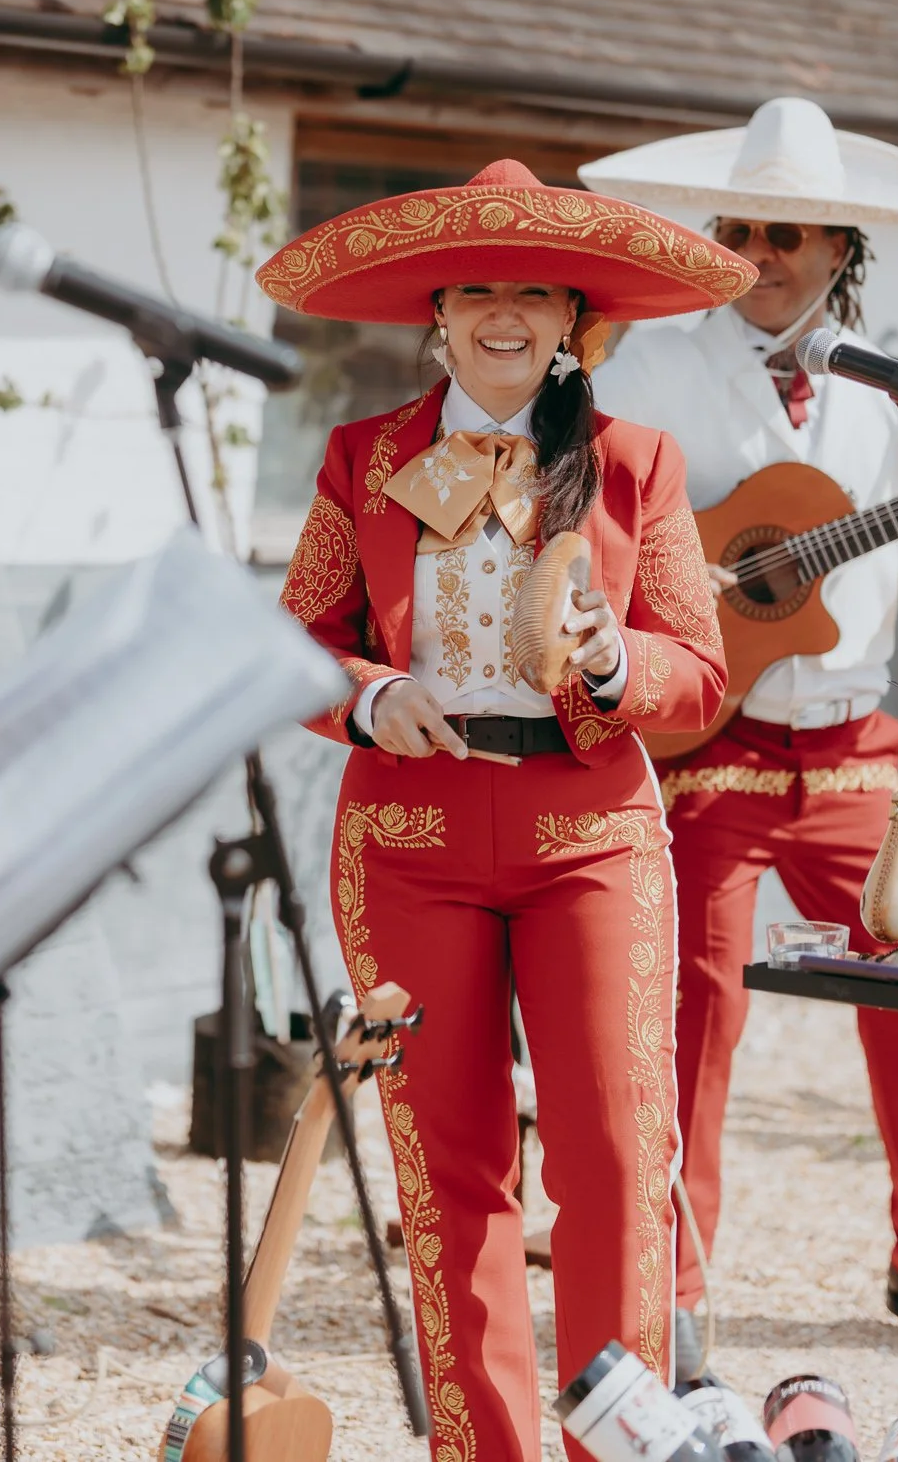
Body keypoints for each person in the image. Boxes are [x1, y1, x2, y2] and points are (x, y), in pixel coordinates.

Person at [258, 159, 748, 1462]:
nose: (504, 313)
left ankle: (617, 1446)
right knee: (447, 1170)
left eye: (533, 291)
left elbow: (700, 673)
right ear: (438, 310)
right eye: (477, 288)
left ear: (572, 315)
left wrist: (610, 660)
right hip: (409, 841)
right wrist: (369, 697)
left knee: (616, 1158)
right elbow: (295, 642)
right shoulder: (363, 457)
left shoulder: (634, 462)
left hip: (588, 836)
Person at [582, 97, 898, 1375]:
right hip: (709, 747)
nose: (756, 253)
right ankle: (669, 1281)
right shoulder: (643, 368)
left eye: (784, 233)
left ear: (842, 245)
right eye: (736, 228)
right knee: (692, 1010)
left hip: (854, 750)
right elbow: (592, 544)